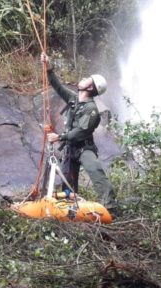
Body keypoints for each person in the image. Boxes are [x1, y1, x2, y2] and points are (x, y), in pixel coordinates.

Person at [40, 52, 119, 217]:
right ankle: (70, 212)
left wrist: (59, 137)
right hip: (70, 149)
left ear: (90, 87)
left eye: (87, 79)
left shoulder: (92, 110)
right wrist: (48, 67)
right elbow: (58, 86)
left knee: (96, 171)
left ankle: (110, 209)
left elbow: (80, 132)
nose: (83, 78)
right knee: (68, 183)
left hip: (83, 148)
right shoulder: (74, 99)